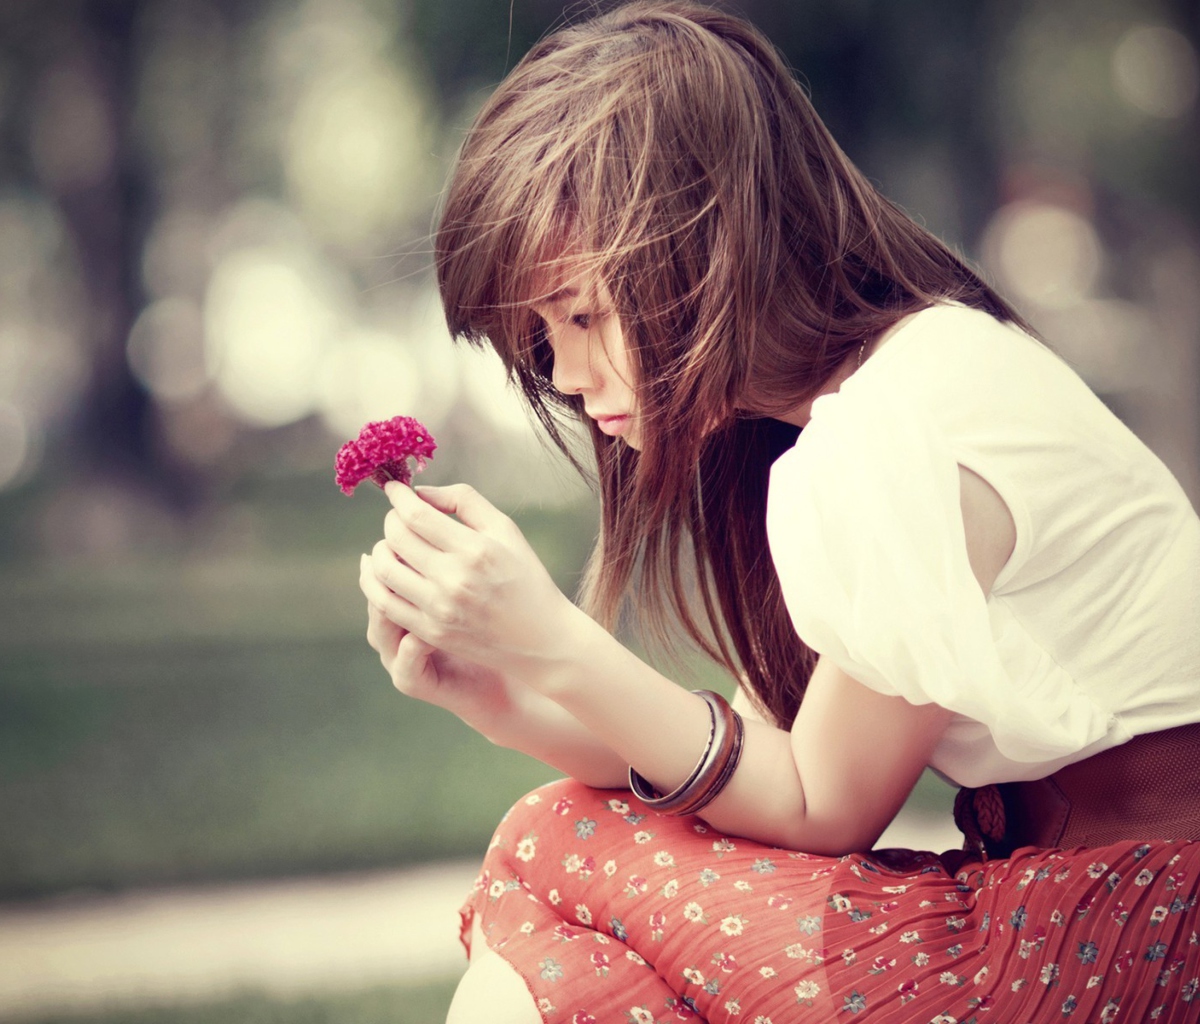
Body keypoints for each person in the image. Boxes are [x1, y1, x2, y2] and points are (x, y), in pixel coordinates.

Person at [357, 3, 1200, 1021]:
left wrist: (557, 642)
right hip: (1088, 916)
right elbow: (753, 768)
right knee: (575, 928)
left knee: (556, 843)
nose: (569, 375)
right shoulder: (868, 408)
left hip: (1141, 928)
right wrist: (505, 697)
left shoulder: (903, 421)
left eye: (583, 315)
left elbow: (816, 804)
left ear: (712, 242)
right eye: (543, 338)